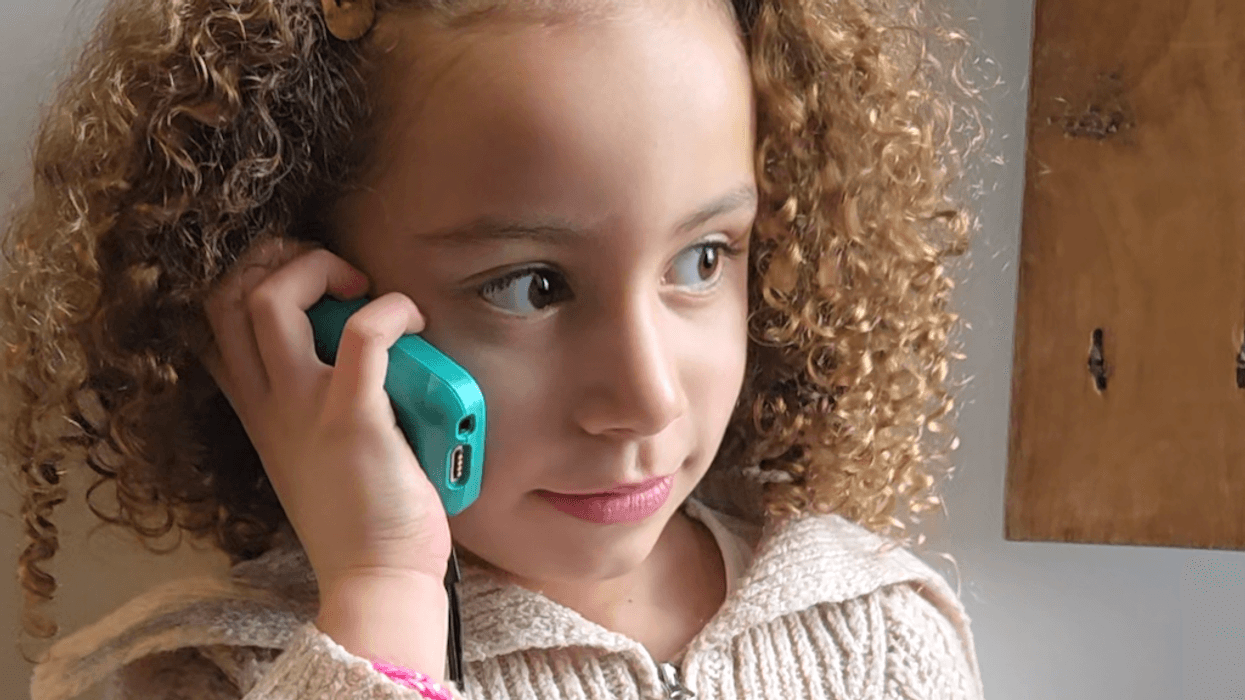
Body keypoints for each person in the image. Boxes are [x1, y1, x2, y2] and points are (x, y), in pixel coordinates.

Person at [0, 0, 984, 697]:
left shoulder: (879, 633)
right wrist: (382, 604)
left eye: (702, 257)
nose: (646, 400)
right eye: (532, 286)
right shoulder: (193, 678)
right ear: (316, 304)